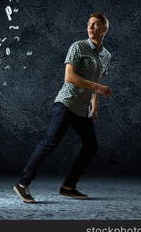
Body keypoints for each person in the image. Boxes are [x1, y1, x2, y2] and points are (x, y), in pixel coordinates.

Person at [13, 13, 113, 203]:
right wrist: (99, 89)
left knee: (91, 146)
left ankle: (68, 187)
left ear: (105, 29)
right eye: (89, 24)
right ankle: (22, 184)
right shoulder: (78, 47)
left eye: (95, 24)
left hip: (83, 109)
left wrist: (95, 104)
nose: (90, 27)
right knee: (49, 143)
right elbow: (70, 77)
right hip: (67, 102)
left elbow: (97, 79)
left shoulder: (106, 55)